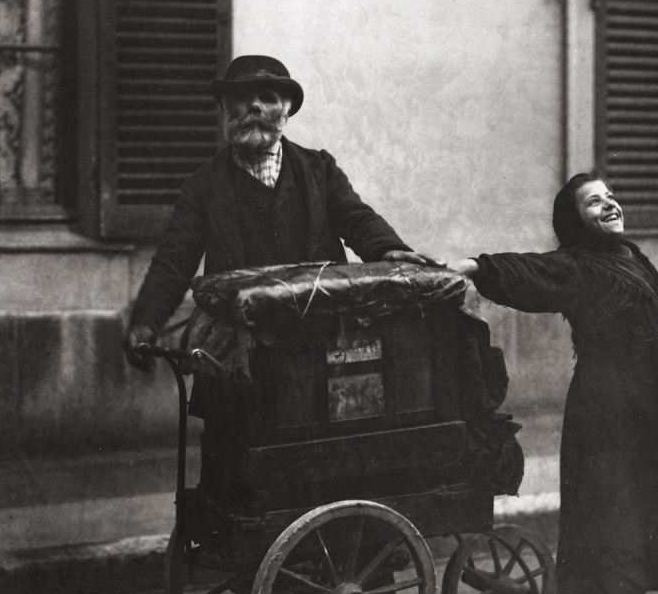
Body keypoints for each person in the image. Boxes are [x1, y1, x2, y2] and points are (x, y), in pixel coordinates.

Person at [451, 172, 658, 594]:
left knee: (640, 504)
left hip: (652, 403)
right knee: (609, 505)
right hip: (608, 406)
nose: (610, 205)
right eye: (594, 202)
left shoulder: (632, 257)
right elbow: (528, 271)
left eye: (611, 197)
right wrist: (474, 267)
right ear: (575, 222)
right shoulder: (576, 266)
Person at [124, 54, 440, 363]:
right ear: (223, 107)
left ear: (286, 111)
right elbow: (173, 262)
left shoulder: (320, 171)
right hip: (237, 352)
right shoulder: (203, 186)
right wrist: (146, 322)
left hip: (318, 342)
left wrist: (388, 249)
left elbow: (357, 218)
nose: (255, 106)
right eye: (242, 97)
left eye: (268, 97)